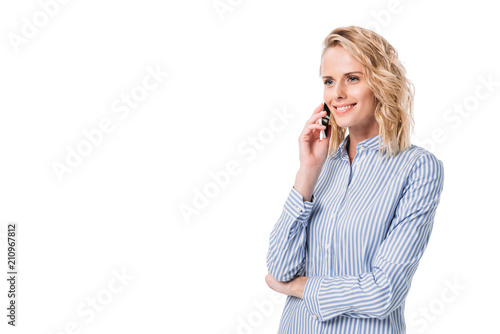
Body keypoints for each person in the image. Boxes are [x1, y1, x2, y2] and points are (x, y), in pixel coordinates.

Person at [265, 26, 445, 334]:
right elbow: (279, 269)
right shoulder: (322, 163)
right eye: (328, 81)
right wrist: (307, 172)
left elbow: (382, 293)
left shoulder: (417, 168)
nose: (337, 94)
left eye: (352, 78)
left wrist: (300, 288)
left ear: (380, 83)